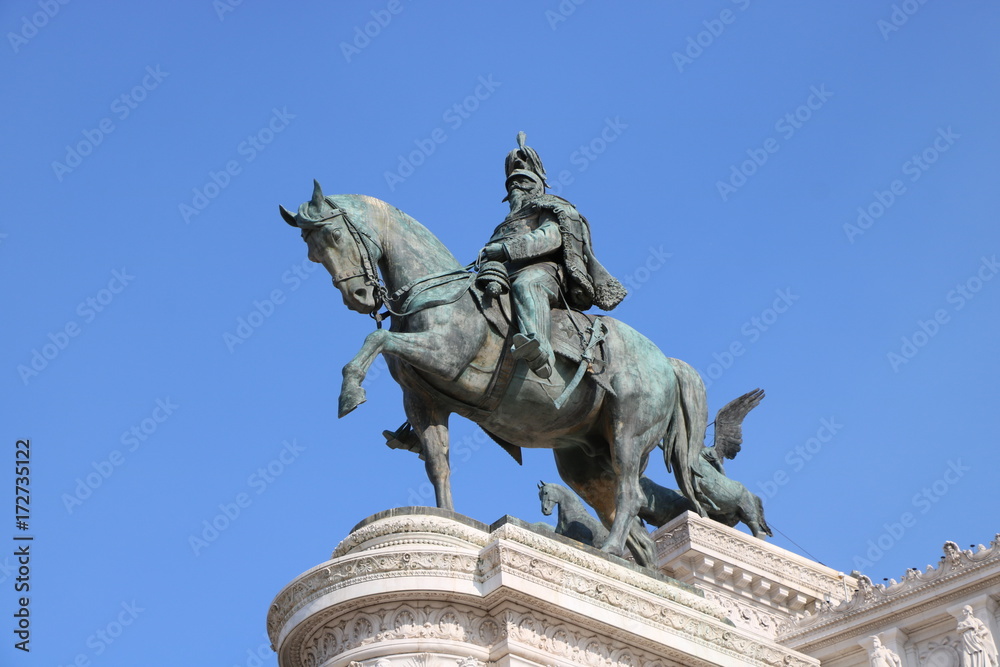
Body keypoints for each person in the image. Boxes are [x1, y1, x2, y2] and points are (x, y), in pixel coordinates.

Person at [481, 133, 626, 379]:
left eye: (524, 181)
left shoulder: (549, 206)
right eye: (512, 184)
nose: (517, 186)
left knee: (528, 286)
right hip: (502, 274)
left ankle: (539, 349)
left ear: (538, 184)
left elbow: (550, 237)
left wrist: (506, 250)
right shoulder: (504, 224)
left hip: (544, 273)